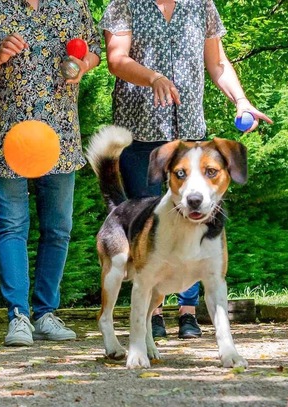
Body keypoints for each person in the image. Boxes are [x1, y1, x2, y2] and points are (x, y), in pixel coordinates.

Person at [101, 0, 268, 340]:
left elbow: (218, 62)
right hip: (141, 132)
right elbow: (116, 60)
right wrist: (154, 77)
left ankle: (188, 313)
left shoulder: (200, 5)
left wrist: (241, 100)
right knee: (149, 226)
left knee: (195, 220)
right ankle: (152, 316)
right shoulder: (123, 4)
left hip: (189, 134)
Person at [0, 0, 101, 347]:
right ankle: (18, 315)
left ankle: (45, 314)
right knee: (11, 227)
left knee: (59, 229)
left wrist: (83, 65)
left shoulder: (72, 3)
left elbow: (94, 49)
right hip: (7, 139)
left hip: (59, 136)